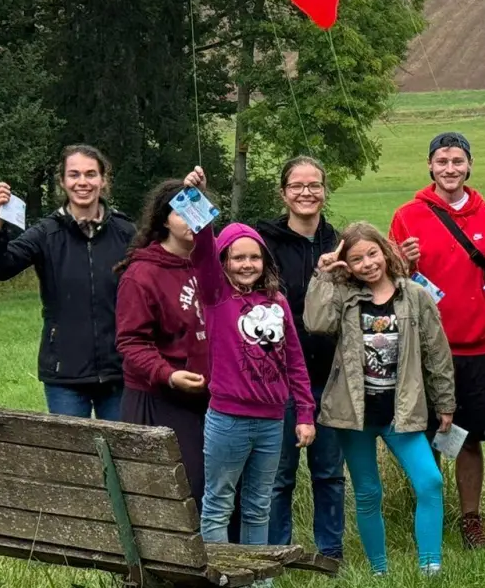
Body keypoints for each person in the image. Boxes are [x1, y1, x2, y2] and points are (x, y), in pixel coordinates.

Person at [305, 223, 456, 577]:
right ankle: (379, 570)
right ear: (348, 265)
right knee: (368, 492)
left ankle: (430, 565)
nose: (367, 263)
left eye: (372, 253)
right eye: (356, 259)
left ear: (385, 252)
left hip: (400, 411)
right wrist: (323, 276)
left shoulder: (415, 296)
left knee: (430, 481)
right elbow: (315, 323)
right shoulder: (345, 297)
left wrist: (445, 402)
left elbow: (437, 352)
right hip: (354, 414)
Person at [387, 132, 485, 549]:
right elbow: (389, 282)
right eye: (442, 161)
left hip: (478, 345)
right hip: (427, 348)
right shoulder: (408, 215)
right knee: (426, 436)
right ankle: (430, 514)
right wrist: (401, 261)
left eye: (458, 161)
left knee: (469, 438)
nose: (450, 169)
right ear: (430, 166)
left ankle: (471, 519)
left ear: (469, 166)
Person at [0, 145, 135, 419]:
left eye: (91, 174)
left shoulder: (125, 232)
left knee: (120, 457)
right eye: (74, 174)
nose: (82, 182)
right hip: (64, 374)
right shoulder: (46, 233)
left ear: (103, 180)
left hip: (119, 371)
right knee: (70, 459)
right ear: (63, 182)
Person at [196, 217, 316, 548]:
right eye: (238, 257)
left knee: (258, 507)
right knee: (219, 505)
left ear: (265, 260)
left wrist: (305, 414)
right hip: (228, 420)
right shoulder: (216, 296)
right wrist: (197, 202)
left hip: (272, 420)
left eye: (254, 257)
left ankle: (258, 580)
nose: (247, 264)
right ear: (224, 261)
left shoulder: (276, 302)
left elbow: (295, 360)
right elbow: (202, 253)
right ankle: (222, 578)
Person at [257, 157, 345, 558]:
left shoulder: (340, 242)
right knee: (279, 475)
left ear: (325, 191)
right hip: (278, 376)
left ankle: (330, 552)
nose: (306, 192)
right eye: (297, 185)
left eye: (314, 185)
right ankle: (278, 553)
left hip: (330, 375)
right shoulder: (265, 242)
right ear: (283, 193)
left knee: (329, 472)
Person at [116, 169, 214, 503]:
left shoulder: (210, 265)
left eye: (196, 210)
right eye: (181, 211)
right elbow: (130, 341)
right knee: (183, 490)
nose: (191, 219)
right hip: (160, 396)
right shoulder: (143, 274)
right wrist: (168, 374)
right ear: (164, 220)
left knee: (217, 488)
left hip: (210, 395)